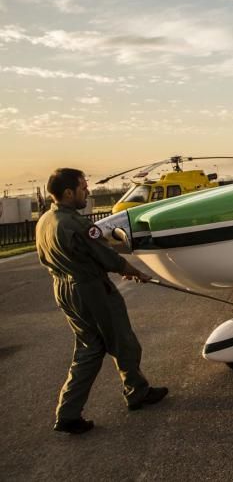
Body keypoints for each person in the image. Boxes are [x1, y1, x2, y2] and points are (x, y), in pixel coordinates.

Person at [36, 168, 169, 435]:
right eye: (84, 188)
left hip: (63, 289)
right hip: (90, 290)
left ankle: (68, 412)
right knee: (123, 341)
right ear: (68, 192)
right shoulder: (77, 225)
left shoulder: (44, 221)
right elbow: (106, 256)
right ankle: (136, 393)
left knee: (89, 347)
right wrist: (135, 272)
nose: (88, 192)